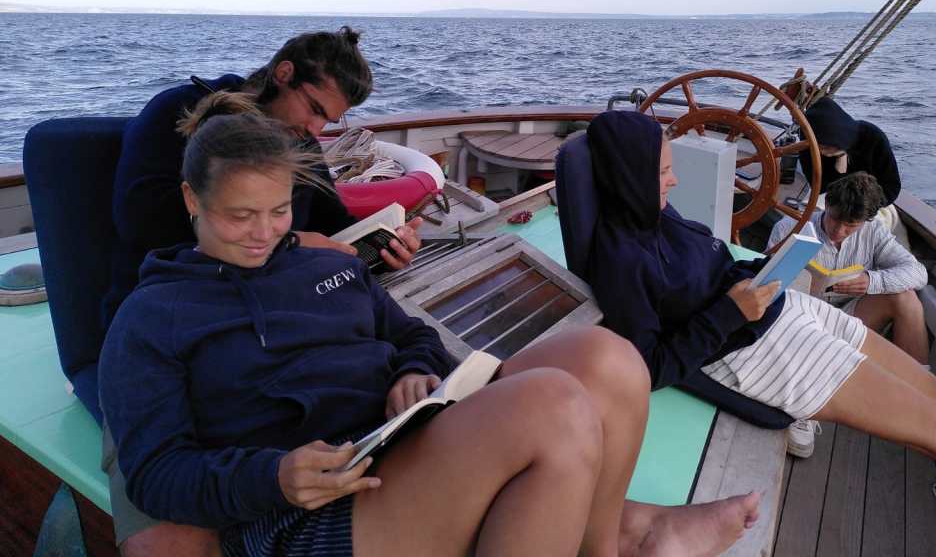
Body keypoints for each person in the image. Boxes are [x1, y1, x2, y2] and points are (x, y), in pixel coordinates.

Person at [99, 110, 763, 557]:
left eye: (277, 212)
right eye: (240, 216)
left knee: (610, 358)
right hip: (304, 507)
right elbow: (154, 475)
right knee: (554, 408)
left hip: (399, 440)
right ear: (191, 200)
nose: (264, 233)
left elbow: (410, 333)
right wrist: (274, 477)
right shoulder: (153, 317)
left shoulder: (321, 265)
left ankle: (601, 546)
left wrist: (411, 372)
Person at [586, 110, 936, 518]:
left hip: (786, 309)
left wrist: (764, 269)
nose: (675, 179)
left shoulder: (659, 216)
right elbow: (648, 367)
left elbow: (713, 267)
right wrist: (729, 313)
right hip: (757, 352)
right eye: (663, 171)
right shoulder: (621, 260)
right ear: (629, 174)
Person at [101, 28, 423, 556]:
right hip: (174, 324)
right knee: (168, 537)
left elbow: (335, 227)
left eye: (327, 121)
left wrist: (383, 244)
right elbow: (137, 218)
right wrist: (290, 238)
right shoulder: (177, 113)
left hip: (274, 311)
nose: (314, 129)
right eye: (314, 108)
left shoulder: (297, 144)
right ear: (284, 74)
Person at [768, 172, 929, 364]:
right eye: (834, 218)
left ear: (866, 220)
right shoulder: (788, 228)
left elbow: (919, 273)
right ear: (827, 204)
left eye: (851, 225)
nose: (839, 230)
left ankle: (920, 376)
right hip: (799, 316)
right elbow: (767, 285)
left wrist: (871, 281)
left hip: (849, 317)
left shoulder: (874, 231)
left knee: (906, 298)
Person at [799, 96, 902, 206]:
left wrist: (862, 207)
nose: (820, 151)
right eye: (816, 147)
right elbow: (821, 188)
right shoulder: (809, 147)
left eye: (824, 147)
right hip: (831, 200)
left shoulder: (873, 137)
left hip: (870, 203)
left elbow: (891, 187)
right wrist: (840, 160)